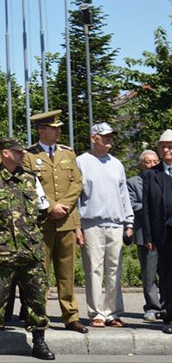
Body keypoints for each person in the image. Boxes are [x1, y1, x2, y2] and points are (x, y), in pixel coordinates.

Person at [0, 137, 54, 361]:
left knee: (36, 298)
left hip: (31, 250)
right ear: (6, 153)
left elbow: (43, 210)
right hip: (2, 250)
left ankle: (39, 341)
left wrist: (28, 231)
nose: (23, 155)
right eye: (18, 152)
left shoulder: (31, 179)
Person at [23, 110, 86, 333]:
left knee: (66, 272)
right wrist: (51, 206)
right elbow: (30, 185)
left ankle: (71, 316)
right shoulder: (29, 156)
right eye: (54, 128)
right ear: (42, 130)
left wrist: (64, 206)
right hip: (42, 222)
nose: (59, 131)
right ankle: (38, 316)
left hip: (66, 221)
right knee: (40, 272)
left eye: (59, 127)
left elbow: (77, 184)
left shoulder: (68, 154)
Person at [75, 122, 134, 328]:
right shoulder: (81, 162)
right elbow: (75, 196)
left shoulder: (117, 164)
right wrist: (76, 226)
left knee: (114, 269)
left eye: (111, 136)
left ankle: (113, 312)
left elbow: (123, 194)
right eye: (105, 136)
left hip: (116, 224)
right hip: (91, 223)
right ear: (94, 138)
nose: (110, 139)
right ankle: (96, 313)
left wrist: (129, 222)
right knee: (94, 268)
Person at [139, 129, 172, 334]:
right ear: (158, 149)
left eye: (171, 146)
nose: (167, 149)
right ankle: (169, 316)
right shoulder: (151, 175)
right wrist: (149, 237)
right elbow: (147, 208)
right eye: (163, 146)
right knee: (167, 276)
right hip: (164, 234)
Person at [128, 148, 161, 321]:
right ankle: (152, 307)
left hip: (164, 233)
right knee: (149, 273)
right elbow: (132, 204)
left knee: (167, 272)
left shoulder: (164, 179)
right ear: (141, 165)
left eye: (155, 162)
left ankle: (166, 306)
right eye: (148, 162)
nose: (152, 165)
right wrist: (152, 208)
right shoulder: (133, 182)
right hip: (145, 233)